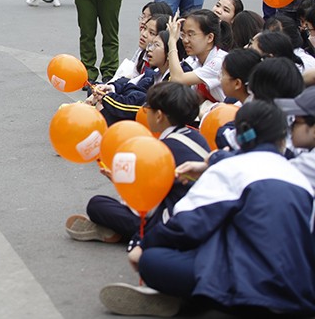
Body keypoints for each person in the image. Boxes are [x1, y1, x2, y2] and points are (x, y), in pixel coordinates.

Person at [101, 99, 315, 317]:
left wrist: (144, 245)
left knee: (152, 260)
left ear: (238, 136)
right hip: (299, 292)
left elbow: (187, 223)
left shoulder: (231, 168)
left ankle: (205, 303)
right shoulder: (299, 179)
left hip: (247, 290)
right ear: (281, 139)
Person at [67, 82, 208, 244]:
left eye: (147, 109)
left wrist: (120, 182)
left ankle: (124, 231)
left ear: (159, 115)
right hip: (205, 214)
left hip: (175, 221)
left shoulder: (161, 150)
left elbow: (145, 204)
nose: (145, 113)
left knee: (97, 204)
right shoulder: (198, 138)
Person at [167, 10, 229, 103]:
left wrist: (172, 42)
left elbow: (178, 79)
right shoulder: (194, 61)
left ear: (210, 37)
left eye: (191, 34)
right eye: (183, 34)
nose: (185, 40)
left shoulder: (220, 62)